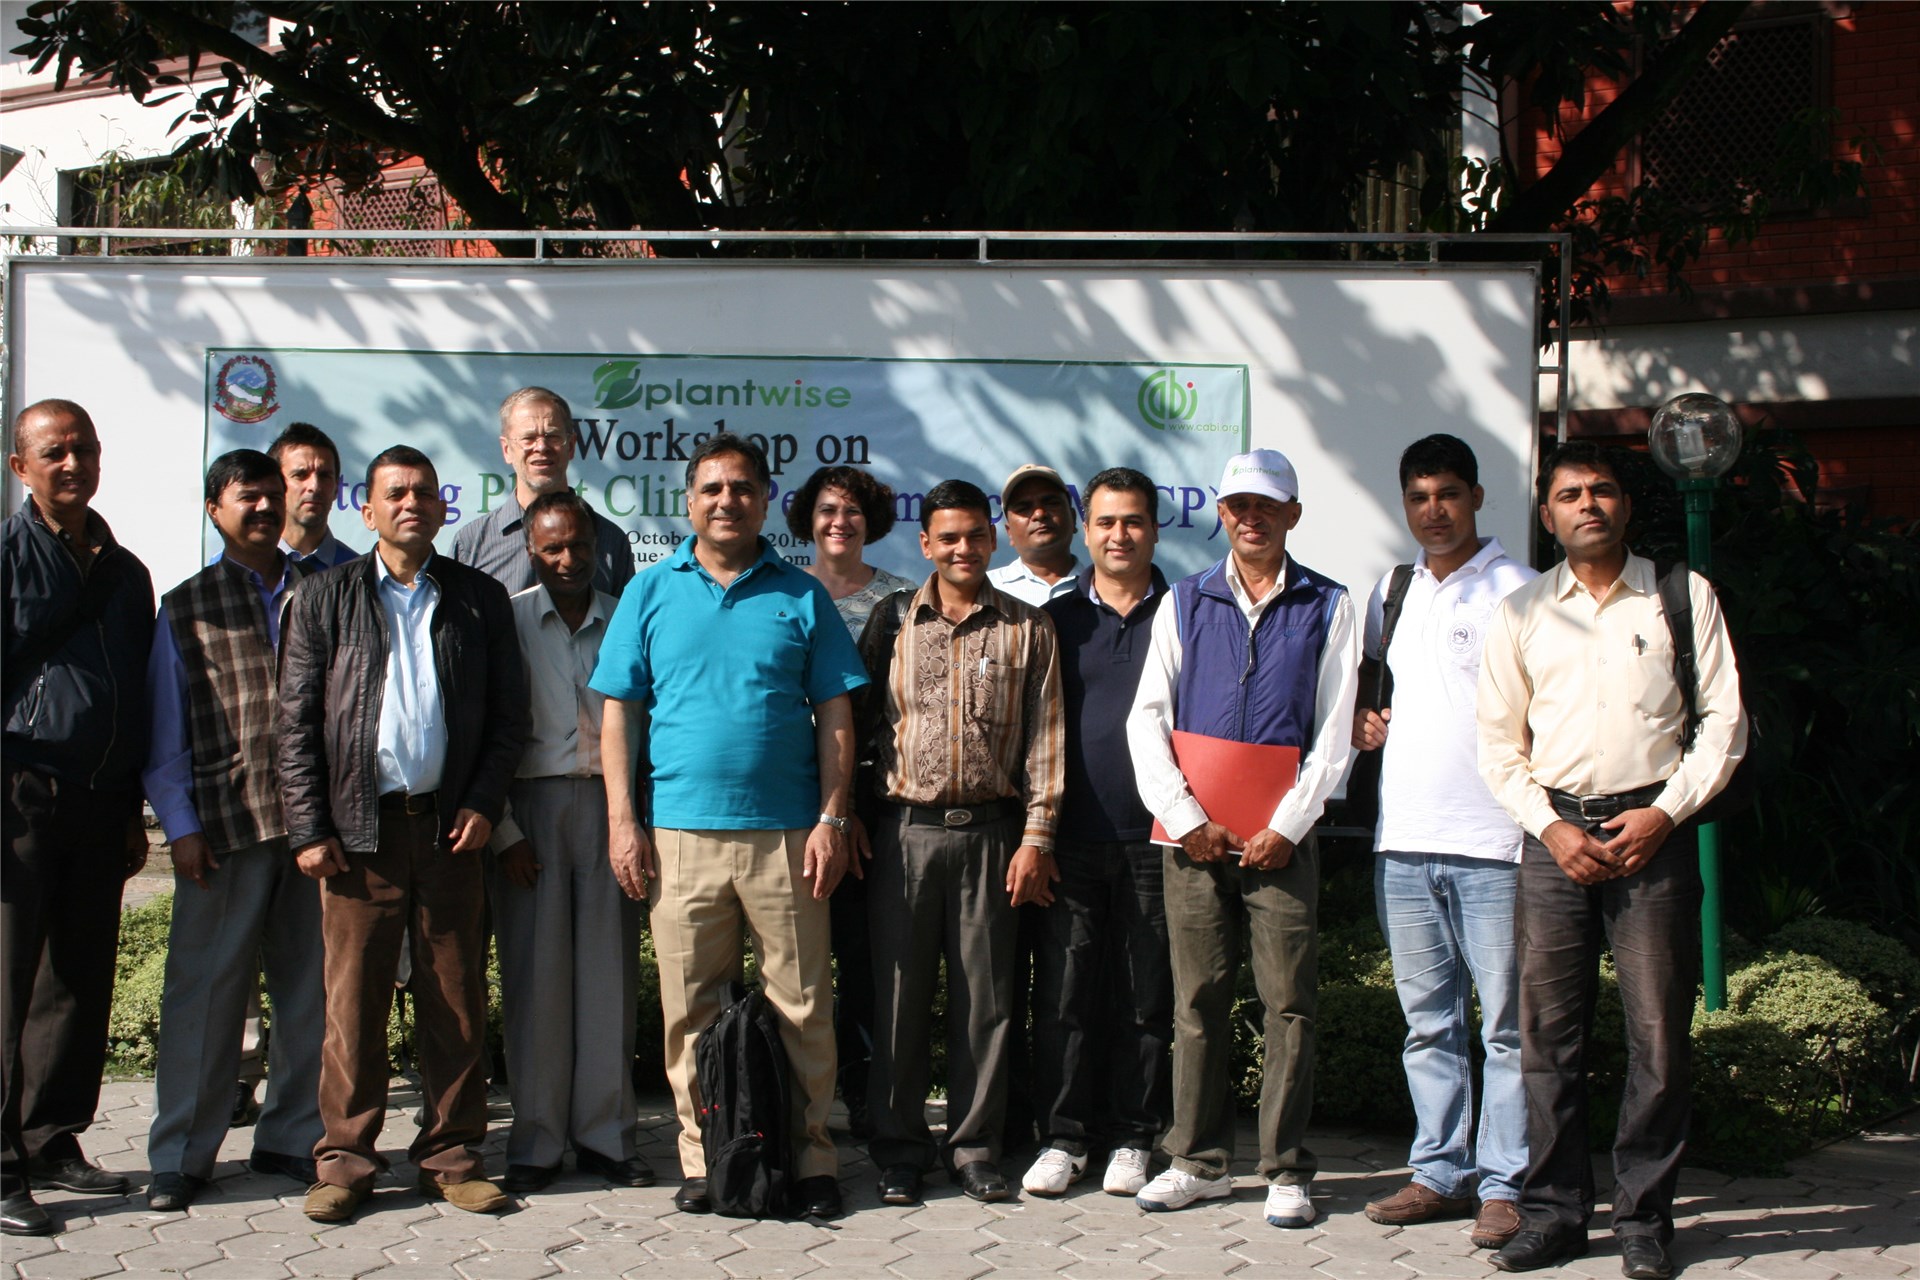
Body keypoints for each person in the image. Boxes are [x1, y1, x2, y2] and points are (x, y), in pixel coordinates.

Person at [1478, 442, 1745, 1280]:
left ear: (1626, 505)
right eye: (1568, 494)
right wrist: (1551, 830)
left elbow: (1725, 725)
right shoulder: (1522, 611)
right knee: (1547, 1039)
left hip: (1651, 837)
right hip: (1554, 842)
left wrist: (1665, 814)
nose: (1586, 504)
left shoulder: (1679, 595)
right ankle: (1556, 1214)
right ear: (1547, 513)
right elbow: (1497, 746)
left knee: (1658, 1036)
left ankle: (1644, 1218)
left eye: (1601, 491)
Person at [592, 433, 867, 1221]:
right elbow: (621, 714)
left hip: (786, 835)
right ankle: (706, 1159)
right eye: (711, 488)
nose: (726, 501)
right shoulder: (650, 592)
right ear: (689, 500)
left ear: (764, 499)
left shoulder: (801, 593)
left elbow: (836, 714)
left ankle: (813, 1161)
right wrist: (624, 822)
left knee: (803, 1008)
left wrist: (833, 817)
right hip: (679, 836)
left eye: (742, 488)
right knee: (690, 1012)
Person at [278, 445, 528, 1223]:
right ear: (370, 508)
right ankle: (346, 1162)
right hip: (359, 836)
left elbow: (508, 722)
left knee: (454, 1000)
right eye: (395, 492)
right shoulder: (324, 599)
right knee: (351, 1007)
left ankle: (452, 1157)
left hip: (451, 829)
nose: (411, 502)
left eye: (423, 490)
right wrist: (309, 827)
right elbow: (292, 724)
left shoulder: (479, 599)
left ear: (441, 506)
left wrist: (485, 804)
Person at [1126, 447, 1359, 1228]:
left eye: (1266, 505)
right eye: (1236, 505)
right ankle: (1196, 1160)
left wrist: (1288, 826)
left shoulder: (1330, 604)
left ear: (1293, 514)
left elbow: (1334, 732)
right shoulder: (1185, 601)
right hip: (1194, 840)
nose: (1250, 517)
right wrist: (1187, 819)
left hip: (1281, 845)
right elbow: (1147, 718)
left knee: (1288, 1004)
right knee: (1196, 999)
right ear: (1220, 514)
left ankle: (1285, 1169)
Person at [1351, 435, 1536, 1249]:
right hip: (1404, 841)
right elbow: (1368, 692)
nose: (1435, 510)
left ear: (1477, 498)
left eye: (1449, 494)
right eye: (1420, 496)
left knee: (1507, 1028)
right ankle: (1439, 1172)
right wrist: (1364, 719)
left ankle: (1508, 1184)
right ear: (1405, 503)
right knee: (1427, 1024)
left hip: (1497, 843)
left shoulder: (1521, 593)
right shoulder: (1392, 592)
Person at [858, 479, 1065, 1207]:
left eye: (976, 536)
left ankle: (976, 1146)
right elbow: (857, 729)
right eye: (948, 538)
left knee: (988, 1001)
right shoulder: (891, 624)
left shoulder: (1028, 628)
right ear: (925, 545)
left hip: (992, 838)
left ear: (994, 538)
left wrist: (1036, 838)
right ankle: (900, 1149)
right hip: (905, 837)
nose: (963, 549)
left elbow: (1046, 742)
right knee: (899, 1001)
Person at [142, 450, 325, 1213]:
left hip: (316, 830)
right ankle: (182, 1153)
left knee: (309, 993)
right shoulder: (187, 606)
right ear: (214, 509)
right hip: (222, 829)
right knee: (205, 996)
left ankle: (291, 1136)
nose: (262, 507)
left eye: (271, 495)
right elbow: (165, 728)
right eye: (246, 497)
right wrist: (178, 825)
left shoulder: (324, 590)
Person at [1, 400, 154, 1238]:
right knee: (6, 982)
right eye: (53, 452)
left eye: (84, 449)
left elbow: (135, 693)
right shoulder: (8, 555)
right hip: (18, 794)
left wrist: (133, 809)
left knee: (77, 977)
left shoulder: (126, 571)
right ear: (21, 467)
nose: (72, 464)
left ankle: (52, 1138)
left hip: (100, 800)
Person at [489, 489, 648, 1195]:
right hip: (531, 814)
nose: (568, 559)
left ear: (596, 544)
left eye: (578, 545)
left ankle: (607, 1138)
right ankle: (537, 1140)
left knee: (607, 979)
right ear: (531, 548)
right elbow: (483, 731)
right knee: (535, 983)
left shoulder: (627, 618)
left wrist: (635, 822)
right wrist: (503, 830)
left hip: (613, 810)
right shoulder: (509, 620)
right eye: (552, 547)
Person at [1025, 467, 1173, 1199]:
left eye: (1134, 521)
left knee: (1145, 997)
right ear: (1086, 531)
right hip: (1072, 836)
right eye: (1107, 522)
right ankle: (1063, 1137)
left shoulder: (1186, 615)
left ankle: (1134, 1138)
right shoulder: (1055, 620)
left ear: (1154, 527)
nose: (1120, 535)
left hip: (1159, 838)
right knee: (1065, 994)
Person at [784, 463, 915, 1136]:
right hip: (782, 804)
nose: (840, 521)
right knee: (791, 967)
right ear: (807, 517)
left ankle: (868, 1099)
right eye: (828, 509)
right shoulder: (777, 592)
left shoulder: (904, 602)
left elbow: (906, 718)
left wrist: (854, 809)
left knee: (865, 962)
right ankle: (790, 1100)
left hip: (867, 812)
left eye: (854, 511)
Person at [451, 386, 635, 596]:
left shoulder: (610, 540)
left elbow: (626, 626)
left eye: (552, 436)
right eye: (528, 438)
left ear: (572, 445)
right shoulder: (472, 543)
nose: (541, 447)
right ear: (506, 450)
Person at [271, 422, 360, 570]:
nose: (315, 486)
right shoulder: (246, 568)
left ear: (336, 488)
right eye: (300, 475)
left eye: (325, 476)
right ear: (275, 486)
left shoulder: (361, 574)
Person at [988, 463, 1079, 605]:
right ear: (1009, 532)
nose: (1039, 514)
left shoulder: (1106, 587)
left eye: (1051, 502)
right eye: (1024, 507)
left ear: (1073, 519)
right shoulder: (985, 590)